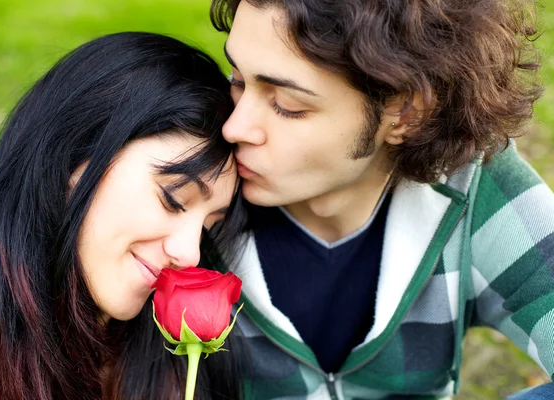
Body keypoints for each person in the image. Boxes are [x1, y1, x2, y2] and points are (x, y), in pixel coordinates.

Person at [208, 0, 554, 399]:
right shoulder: (184, 186)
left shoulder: (472, 186)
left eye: (288, 105)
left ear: (407, 113)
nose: (234, 128)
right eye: (236, 79)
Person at [0, 32, 246, 400]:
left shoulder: (160, 362)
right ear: (72, 154)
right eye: (173, 199)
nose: (190, 255)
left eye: (208, 226)